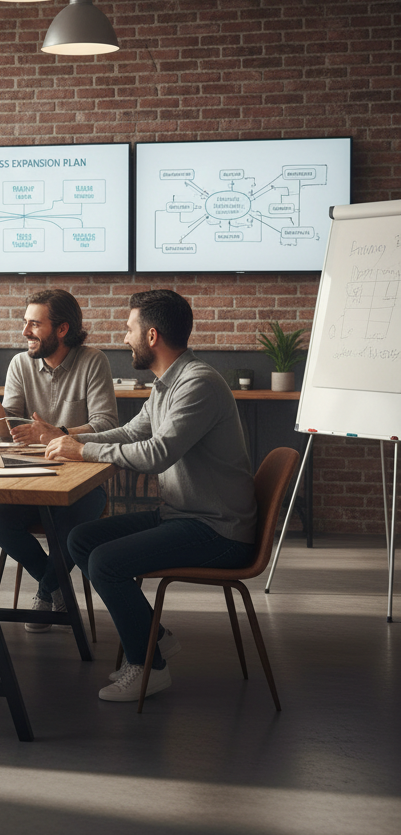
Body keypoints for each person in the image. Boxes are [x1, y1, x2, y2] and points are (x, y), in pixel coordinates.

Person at [46, 289, 257, 702]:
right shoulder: (167, 383)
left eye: (129, 329)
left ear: (153, 335)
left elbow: (158, 453)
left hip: (219, 531)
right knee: (82, 539)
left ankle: (149, 668)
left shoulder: (197, 385)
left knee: (106, 563)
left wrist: (83, 451)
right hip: (184, 515)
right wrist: (67, 437)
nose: (125, 338)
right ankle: (154, 637)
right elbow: (131, 432)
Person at [0, 289, 117, 632]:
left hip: (83, 478)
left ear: (61, 329)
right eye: (25, 322)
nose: (25, 331)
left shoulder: (93, 360)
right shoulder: (20, 363)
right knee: (0, 524)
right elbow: (7, 431)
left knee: (68, 531)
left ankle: (46, 592)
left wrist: (56, 433)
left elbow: (107, 425)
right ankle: (57, 585)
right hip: (32, 478)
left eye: (34, 324)